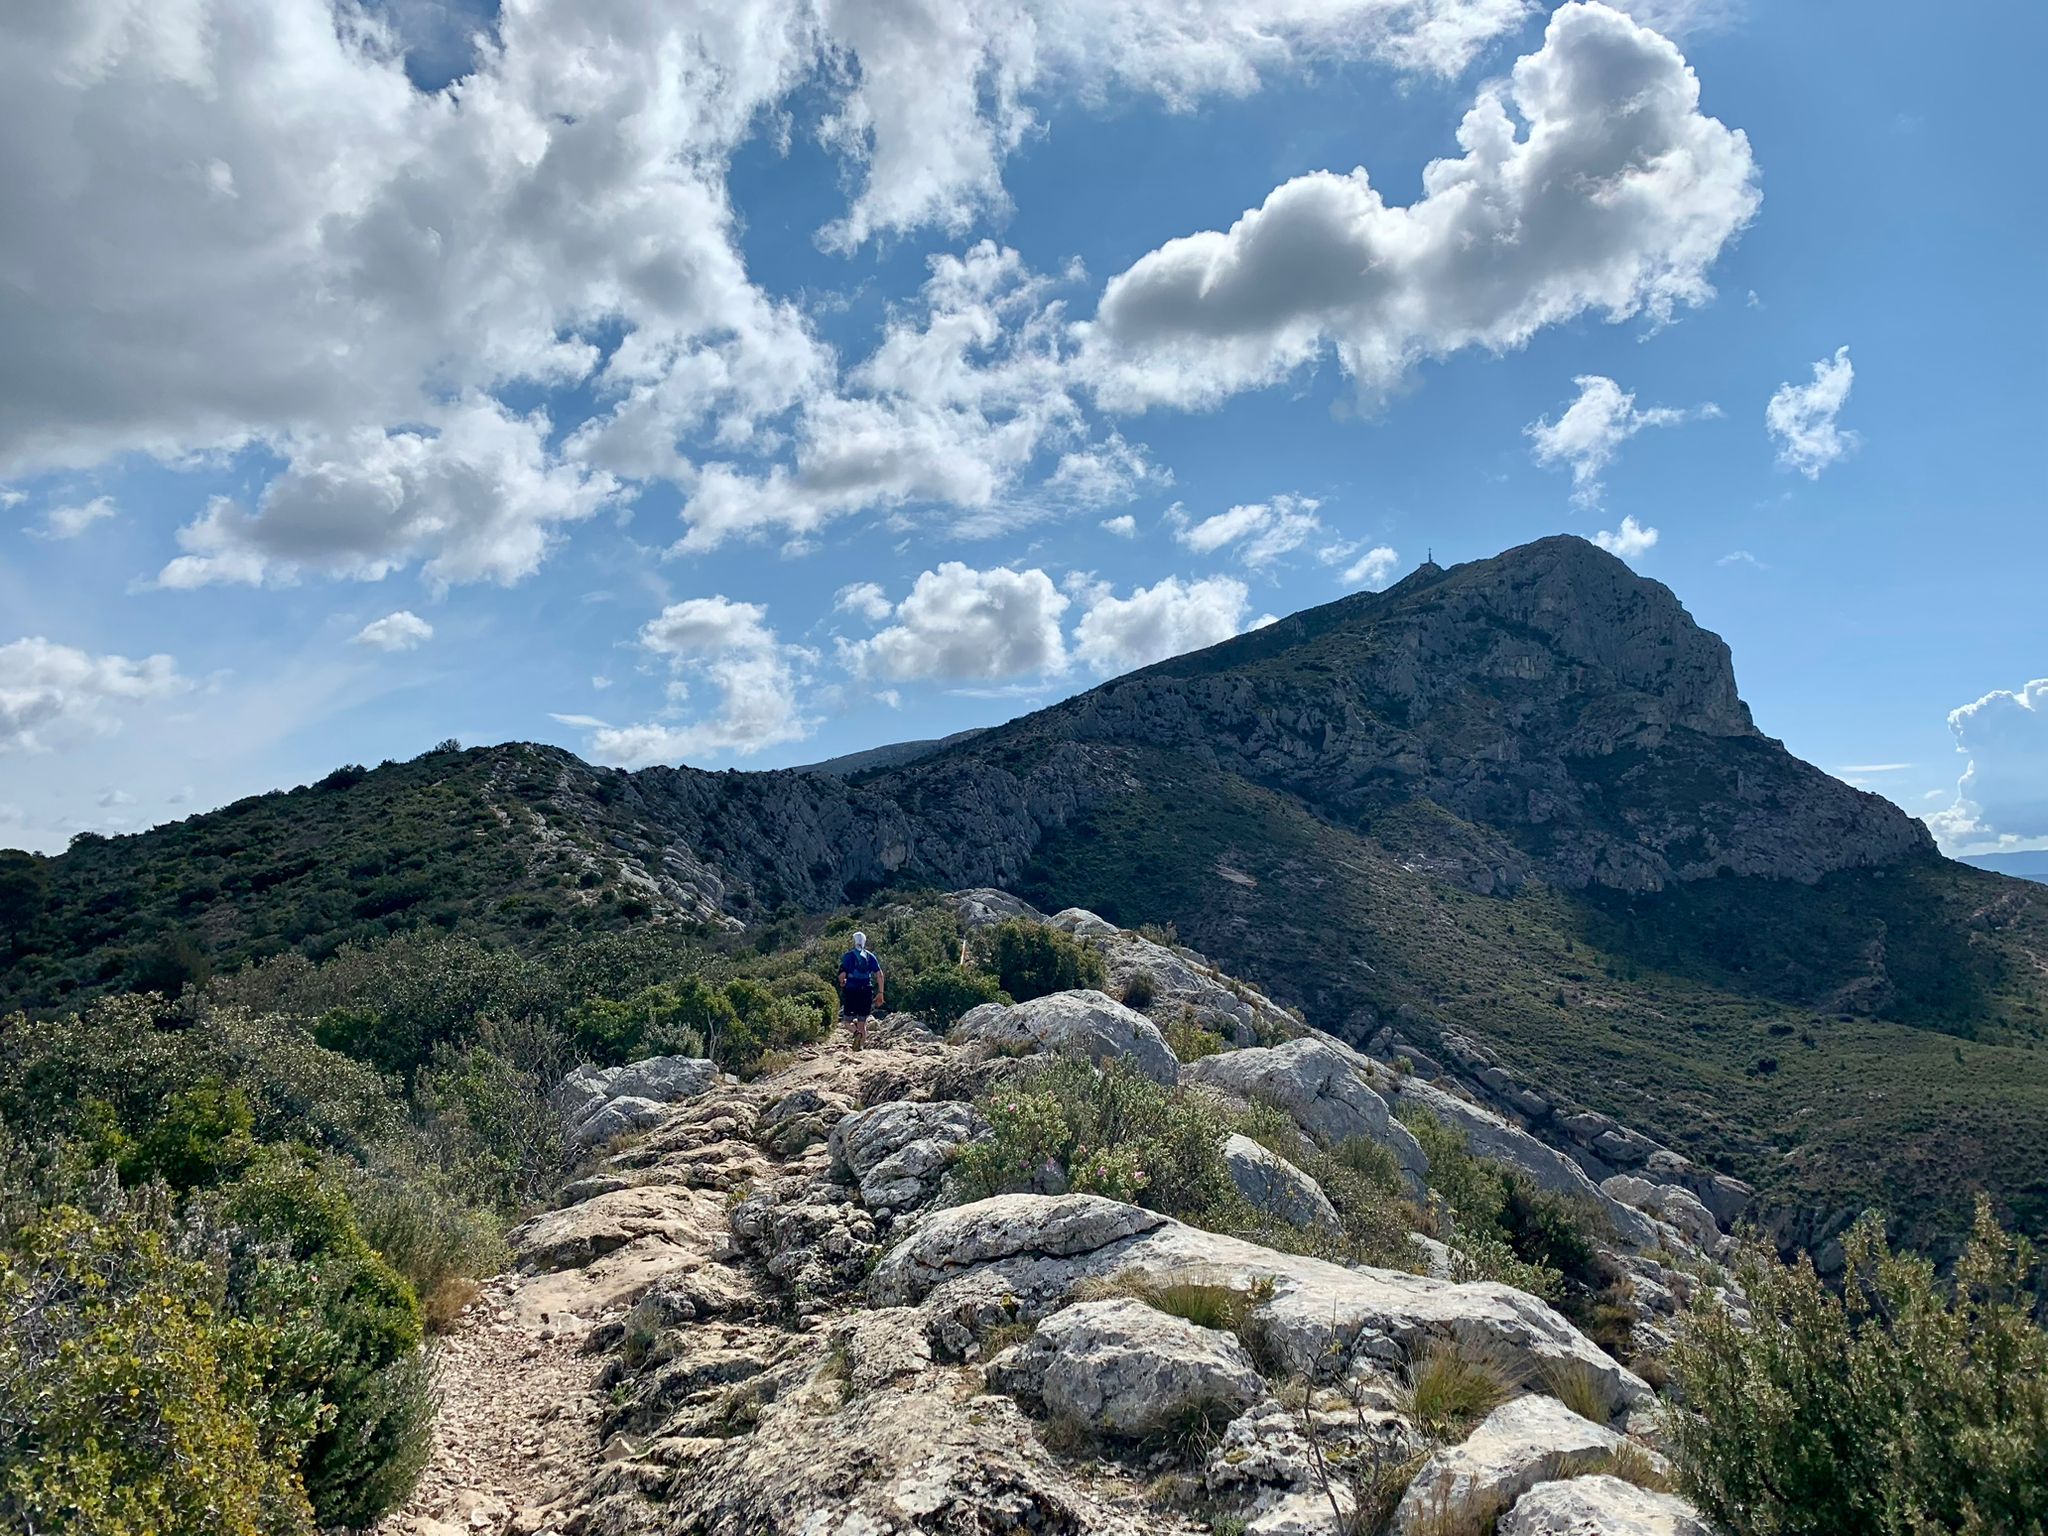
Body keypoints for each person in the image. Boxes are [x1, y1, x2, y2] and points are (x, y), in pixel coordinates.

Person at [837, 930, 884, 1050]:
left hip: (852, 990)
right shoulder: (870, 956)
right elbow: (879, 975)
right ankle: (861, 1047)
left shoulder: (848, 956)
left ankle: (854, 1032)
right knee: (862, 1023)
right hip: (866, 991)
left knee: (847, 1021)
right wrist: (880, 993)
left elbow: (842, 976)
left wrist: (842, 983)